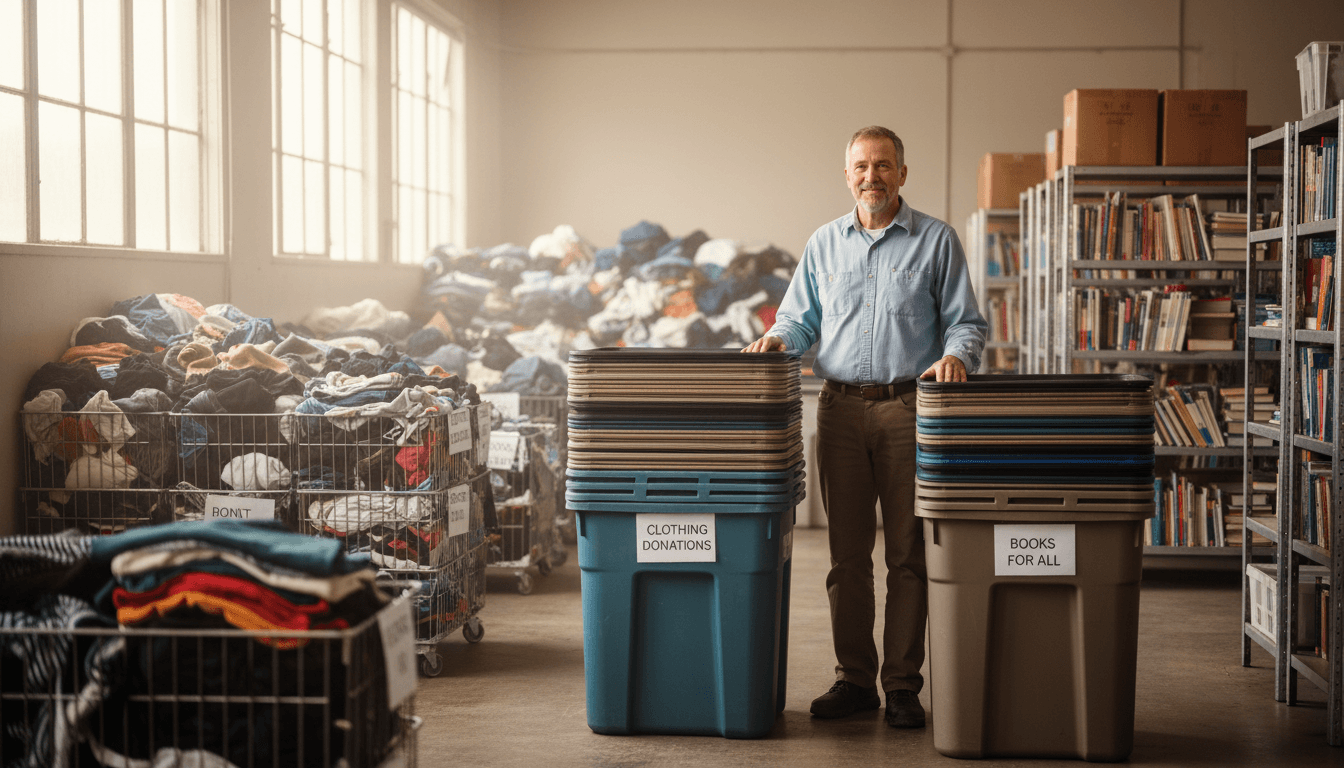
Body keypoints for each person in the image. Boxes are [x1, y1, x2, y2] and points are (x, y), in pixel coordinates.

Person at [743, 126, 986, 728]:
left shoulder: (937, 241)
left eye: (882, 165)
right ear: (846, 174)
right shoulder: (824, 244)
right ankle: (854, 680)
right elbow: (800, 322)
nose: (870, 176)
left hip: (910, 411)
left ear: (903, 172)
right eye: (860, 166)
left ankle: (903, 685)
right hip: (840, 410)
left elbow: (966, 324)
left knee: (908, 555)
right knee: (846, 555)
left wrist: (957, 356)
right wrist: (779, 339)